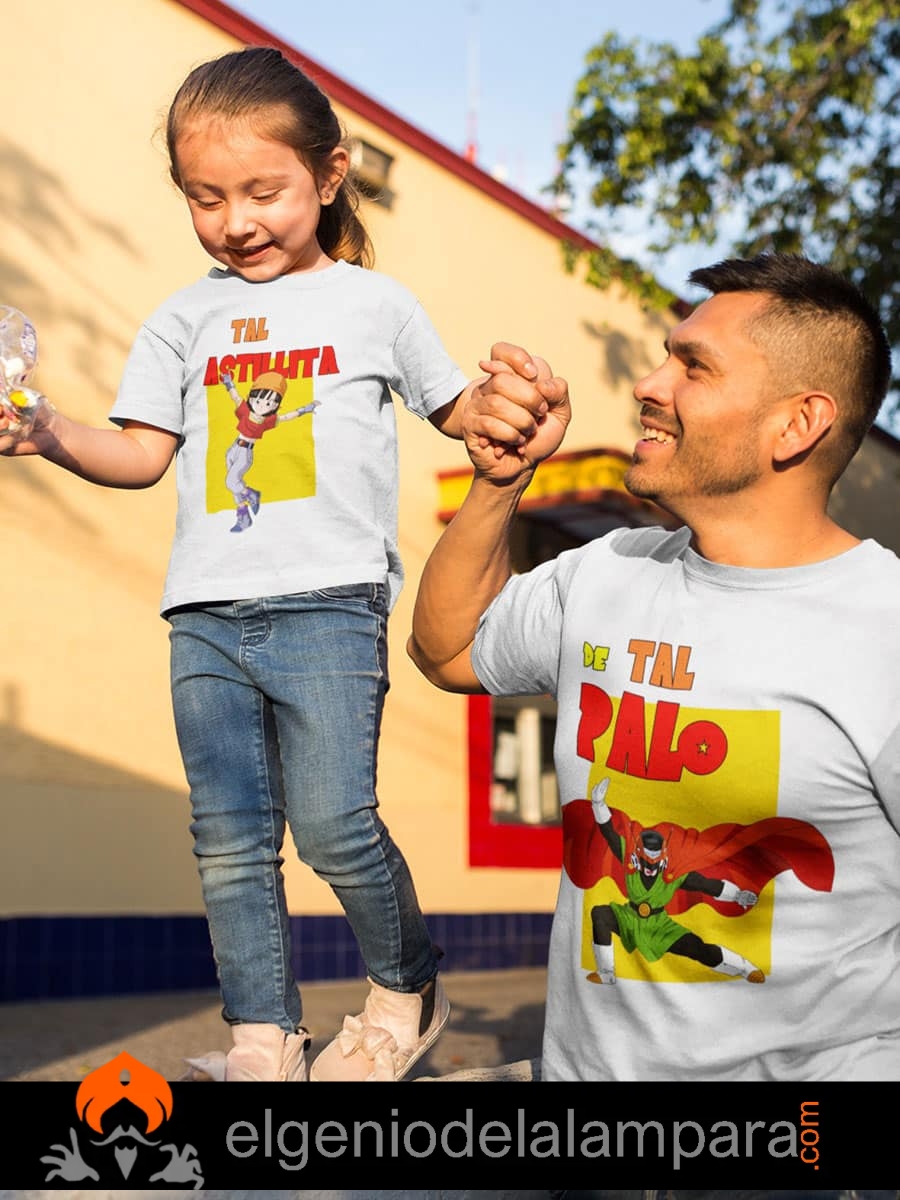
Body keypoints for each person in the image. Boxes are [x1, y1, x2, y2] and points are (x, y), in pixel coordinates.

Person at [0, 45, 526, 1084]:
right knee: (230, 839)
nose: (235, 221)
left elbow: (460, 408)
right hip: (202, 614)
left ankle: (406, 986)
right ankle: (263, 1033)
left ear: (329, 177)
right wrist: (49, 429)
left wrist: (504, 410)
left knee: (335, 824)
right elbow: (143, 455)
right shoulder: (182, 319)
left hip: (329, 607)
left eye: (262, 192)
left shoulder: (379, 308)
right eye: (206, 197)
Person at [408, 252, 900, 1081]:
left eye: (693, 366)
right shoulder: (611, 571)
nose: (649, 382)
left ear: (798, 424)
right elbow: (447, 649)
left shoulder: (883, 625)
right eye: (667, 354)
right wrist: (500, 481)